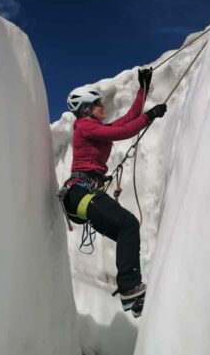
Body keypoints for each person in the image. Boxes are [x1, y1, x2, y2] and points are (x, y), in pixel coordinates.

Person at [61, 68, 167, 317]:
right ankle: (130, 287)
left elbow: (130, 119)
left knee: (126, 230)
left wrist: (143, 87)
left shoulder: (96, 129)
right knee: (128, 225)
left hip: (85, 194)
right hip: (79, 193)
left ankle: (131, 298)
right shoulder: (85, 126)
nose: (102, 107)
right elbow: (122, 132)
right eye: (98, 104)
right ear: (86, 109)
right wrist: (151, 115)